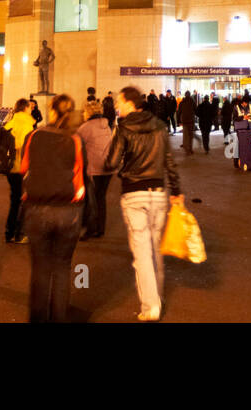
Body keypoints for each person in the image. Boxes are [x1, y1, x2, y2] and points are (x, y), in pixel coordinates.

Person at [106, 86, 183, 322]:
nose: (117, 106)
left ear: (130, 103)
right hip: (158, 192)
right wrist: (176, 191)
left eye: (120, 101)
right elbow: (169, 161)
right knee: (155, 249)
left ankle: (150, 307)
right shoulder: (160, 126)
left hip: (134, 194)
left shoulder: (124, 127)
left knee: (142, 252)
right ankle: (156, 297)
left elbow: (111, 162)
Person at [18, 94, 85, 323]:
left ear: (54, 112)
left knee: (40, 268)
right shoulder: (75, 139)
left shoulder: (34, 136)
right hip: (68, 210)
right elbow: (79, 176)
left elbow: (23, 168)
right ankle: (59, 317)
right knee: (63, 268)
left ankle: (37, 318)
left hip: (37, 208)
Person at [2, 99, 36, 244]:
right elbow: (24, 146)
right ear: (26, 108)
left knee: (14, 200)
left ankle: (9, 232)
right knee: (23, 201)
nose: (32, 110)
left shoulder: (10, 123)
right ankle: (19, 234)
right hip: (21, 167)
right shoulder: (27, 124)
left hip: (9, 167)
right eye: (30, 107)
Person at [78, 99, 113, 238]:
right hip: (107, 167)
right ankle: (100, 228)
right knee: (100, 198)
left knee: (91, 200)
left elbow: (77, 144)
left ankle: (91, 229)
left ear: (89, 112)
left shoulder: (86, 127)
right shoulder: (106, 125)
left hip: (94, 168)